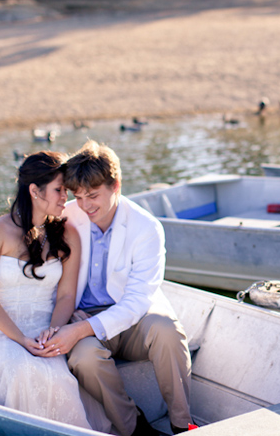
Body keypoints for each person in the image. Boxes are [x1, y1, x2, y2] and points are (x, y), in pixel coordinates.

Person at [43, 140, 192, 436]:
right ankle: (134, 427)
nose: (86, 206)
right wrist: (71, 321)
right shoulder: (67, 216)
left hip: (136, 319)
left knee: (167, 330)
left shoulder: (146, 228)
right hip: (83, 315)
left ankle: (183, 424)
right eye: (79, 196)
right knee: (84, 357)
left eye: (94, 196)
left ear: (116, 185)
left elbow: (137, 302)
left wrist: (81, 330)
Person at [0, 151, 105, 430]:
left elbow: (66, 296)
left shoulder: (68, 236)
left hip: (45, 333)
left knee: (57, 377)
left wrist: (53, 332)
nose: (65, 197)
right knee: (21, 370)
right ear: (34, 190)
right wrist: (20, 339)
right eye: (58, 190)